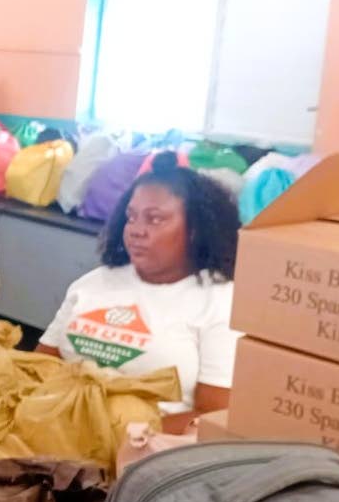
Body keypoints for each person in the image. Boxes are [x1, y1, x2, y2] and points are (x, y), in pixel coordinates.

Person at [36, 153, 242, 425]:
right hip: (56, 427)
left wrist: (120, 437)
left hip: (146, 444)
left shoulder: (220, 302)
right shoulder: (93, 283)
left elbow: (212, 418)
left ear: (195, 230)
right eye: (131, 217)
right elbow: (39, 368)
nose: (136, 230)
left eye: (155, 219)